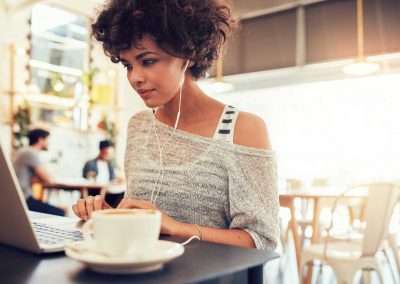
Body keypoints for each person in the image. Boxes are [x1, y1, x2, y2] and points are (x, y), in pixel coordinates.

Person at [73, 0, 278, 250]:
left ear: (188, 54)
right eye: (128, 65)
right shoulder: (139, 127)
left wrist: (176, 227)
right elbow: (144, 219)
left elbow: (262, 240)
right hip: (142, 271)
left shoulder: (243, 129)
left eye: (147, 61)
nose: (134, 77)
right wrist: (110, 216)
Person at [13, 128, 65, 216]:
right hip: (23, 199)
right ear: (41, 140)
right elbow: (48, 179)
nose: (48, 143)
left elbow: (34, 178)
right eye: (47, 140)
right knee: (60, 212)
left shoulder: (25, 151)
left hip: (20, 197)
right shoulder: (30, 152)